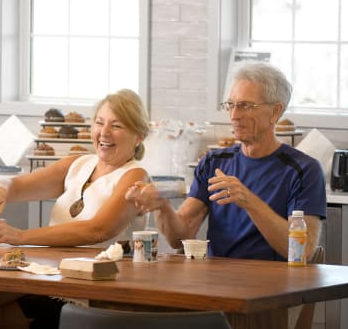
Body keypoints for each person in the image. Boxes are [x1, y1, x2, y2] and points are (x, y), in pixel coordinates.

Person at [127, 63, 326, 260]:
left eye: (246, 106)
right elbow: (180, 237)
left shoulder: (304, 170)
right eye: (231, 105)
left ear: (275, 112)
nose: (234, 115)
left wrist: (249, 201)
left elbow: (303, 251)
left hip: (276, 285)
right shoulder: (214, 162)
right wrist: (163, 207)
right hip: (218, 281)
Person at [0, 89, 150, 247]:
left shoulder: (135, 176)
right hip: (58, 270)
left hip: (105, 274)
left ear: (138, 137)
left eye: (116, 126)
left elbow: (98, 230)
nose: (104, 132)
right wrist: (1, 188)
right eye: (99, 123)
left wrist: (20, 236)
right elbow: (20, 186)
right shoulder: (78, 164)